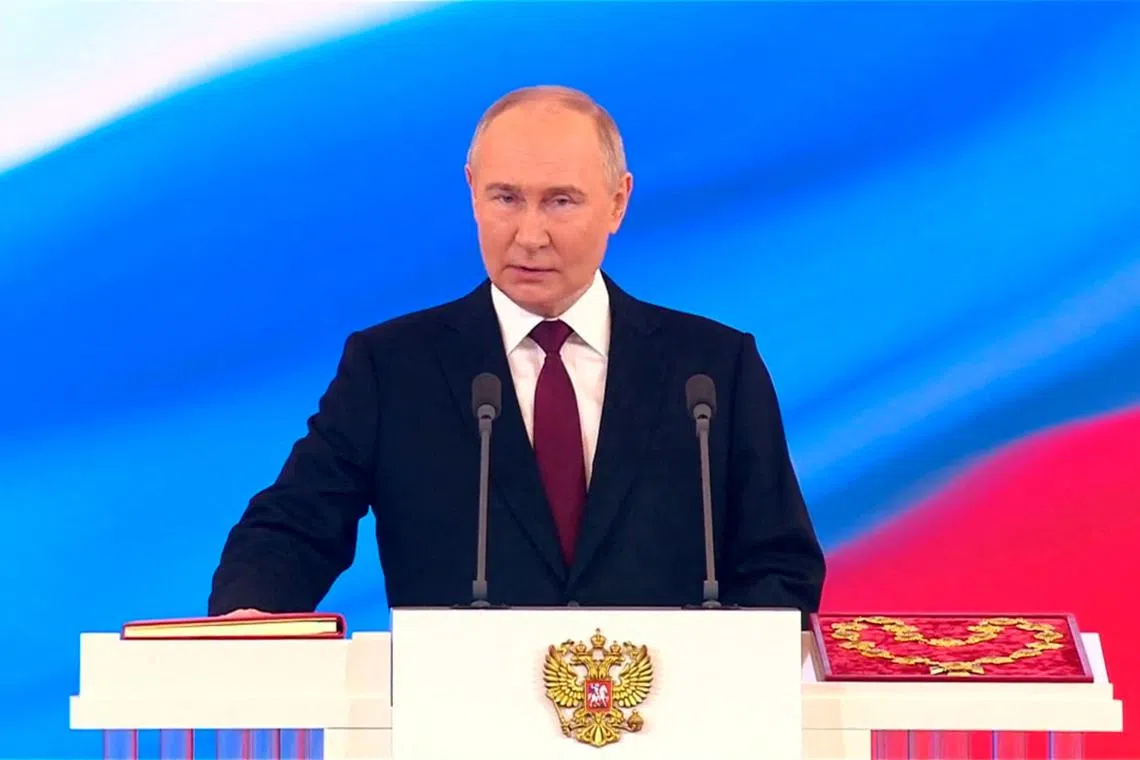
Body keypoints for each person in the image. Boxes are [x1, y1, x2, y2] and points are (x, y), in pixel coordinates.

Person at [208, 85, 825, 627]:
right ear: (472, 192)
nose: (530, 235)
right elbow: (293, 526)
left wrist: (728, 683)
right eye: (506, 198)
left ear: (617, 202)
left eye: (561, 201)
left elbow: (780, 563)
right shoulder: (392, 368)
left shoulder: (713, 369)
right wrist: (252, 611)